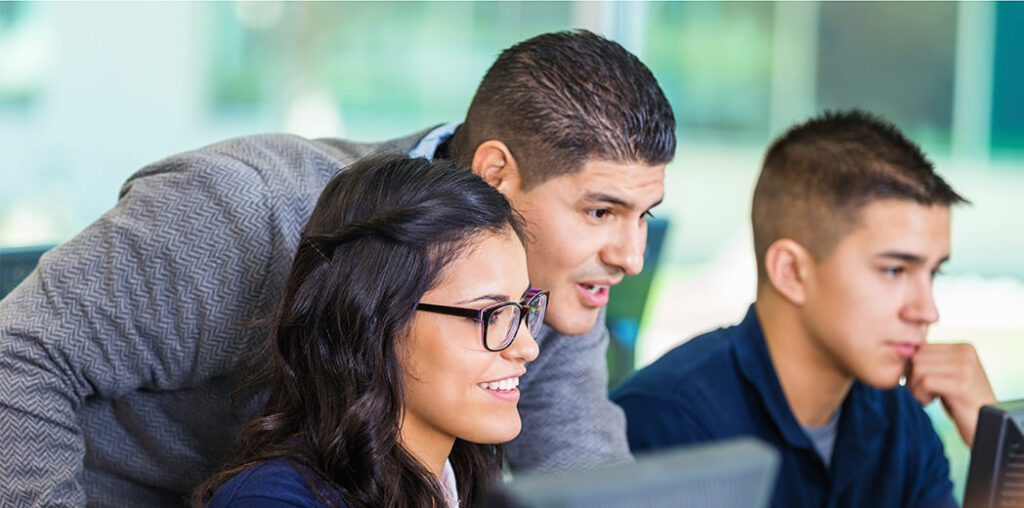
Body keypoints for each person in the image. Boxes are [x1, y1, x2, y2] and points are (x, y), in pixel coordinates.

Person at [0, 30, 675, 506]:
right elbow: (18, 357)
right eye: (599, 212)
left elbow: (583, 479)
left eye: (644, 216)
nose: (631, 256)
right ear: (496, 172)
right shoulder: (245, 210)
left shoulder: (540, 297)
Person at [613, 110, 997, 508]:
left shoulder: (901, 421)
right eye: (894, 270)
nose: (927, 310)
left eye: (933, 272)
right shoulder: (664, 428)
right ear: (792, 271)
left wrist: (1000, 446)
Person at [193, 154, 542, 508]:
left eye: (522, 309)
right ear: (374, 321)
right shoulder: (272, 500)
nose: (527, 347)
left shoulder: (462, 485)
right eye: (489, 313)